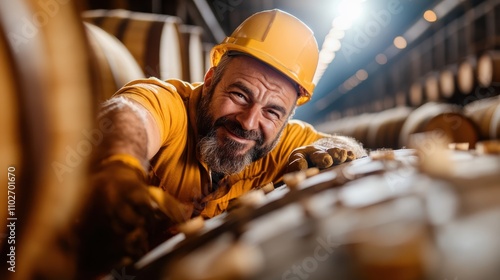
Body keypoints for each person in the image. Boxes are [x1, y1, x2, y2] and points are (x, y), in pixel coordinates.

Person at [76, 9, 367, 277]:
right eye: (240, 95)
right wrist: (120, 167)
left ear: (288, 116)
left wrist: (332, 150)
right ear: (210, 79)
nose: (249, 122)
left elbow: (343, 146)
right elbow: (131, 114)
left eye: (272, 111)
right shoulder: (172, 104)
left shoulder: (288, 142)